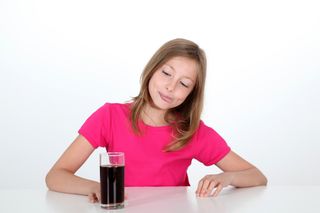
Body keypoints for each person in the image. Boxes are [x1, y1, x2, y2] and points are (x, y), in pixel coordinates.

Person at [46, 38, 267, 203]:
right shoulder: (110, 116)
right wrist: (96, 186)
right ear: (152, 70)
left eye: (184, 83)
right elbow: (55, 176)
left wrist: (227, 177)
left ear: (191, 93)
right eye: (167, 73)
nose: (171, 87)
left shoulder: (193, 132)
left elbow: (257, 176)